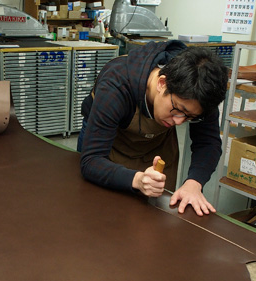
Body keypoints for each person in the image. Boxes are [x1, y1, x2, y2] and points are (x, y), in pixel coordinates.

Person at [77, 41, 228, 216]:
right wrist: (137, 180)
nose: (179, 122)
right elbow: (92, 160)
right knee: (100, 210)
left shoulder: (201, 90)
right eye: (178, 110)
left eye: (190, 117)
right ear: (162, 83)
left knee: (152, 215)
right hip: (108, 142)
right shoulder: (116, 83)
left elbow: (208, 143)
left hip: (158, 145)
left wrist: (194, 183)